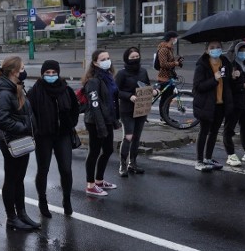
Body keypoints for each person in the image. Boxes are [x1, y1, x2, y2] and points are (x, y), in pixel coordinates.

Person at [0, 56, 40, 230]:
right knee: (11, 179)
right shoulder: (4, 93)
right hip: (11, 141)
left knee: (19, 179)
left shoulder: (16, 88)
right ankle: (12, 218)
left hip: (22, 139)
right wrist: (24, 126)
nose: (23, 71)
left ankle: (22, 214)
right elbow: (2, 120)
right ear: (13, 71)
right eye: (21, 69)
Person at [26, 60, 80, 217]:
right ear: (42, 74)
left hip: (63, 134)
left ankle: (67, 199)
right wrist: (36, 130)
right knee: (43, 170)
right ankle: (42, 201)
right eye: (47, 73)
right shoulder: (35, 91)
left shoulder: (66, 90)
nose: (51, 75)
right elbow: (30, 114)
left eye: (53, 73)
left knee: (66, 169)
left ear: (58, 73)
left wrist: (71, 122)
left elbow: (75, 108)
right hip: (43, 136)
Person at [82, 49, 119, 197]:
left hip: (107, 119)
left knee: (108, 149)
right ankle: (90, 185)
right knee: (94, 151)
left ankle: (99, 180)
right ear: (95, 62)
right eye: (103, 59)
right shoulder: (93, 81)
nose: (107, 61)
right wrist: (101, 126)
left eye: (108, 58)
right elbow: (94, 105)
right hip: (95, 121)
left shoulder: (108, 77)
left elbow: (113, 98)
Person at [115, 47, 157, 177]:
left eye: (136, 57)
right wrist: (129, 96)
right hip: (127, 110)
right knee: (128, 136)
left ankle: (132, 163)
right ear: (126, 58)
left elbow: (147, 86)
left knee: (137, 137)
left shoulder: (143, 71)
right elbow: (116, 91)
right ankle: (122, 164)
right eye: (132, 57)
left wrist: (154, 92)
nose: (135, 59)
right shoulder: (122, 74)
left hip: (141, 109)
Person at [192, 41, 234, 171]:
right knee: (204, 132)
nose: (216, 50)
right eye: (212, 48)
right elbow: (197, 87)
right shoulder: (202, 65)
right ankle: (199, 161)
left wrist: (234, 76)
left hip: (221, 104)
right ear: (206, 50)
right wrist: (214, 80)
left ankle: (208, 158)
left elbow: (228, 84)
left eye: (218, 48)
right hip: (206, 104)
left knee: (214, 132)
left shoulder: (225, 63)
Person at [156, 31, 183, 104]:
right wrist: (175, 63)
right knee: (165, 99)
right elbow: (163, 64)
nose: (176, 40)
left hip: (169, 76)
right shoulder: (164, 49)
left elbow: (169, 62)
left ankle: (165, 114)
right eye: (175, 38)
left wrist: (176, 62)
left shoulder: (169, 49)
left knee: (168, 98)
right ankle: (164, 114)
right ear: (172, 39)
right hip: (164, 77)